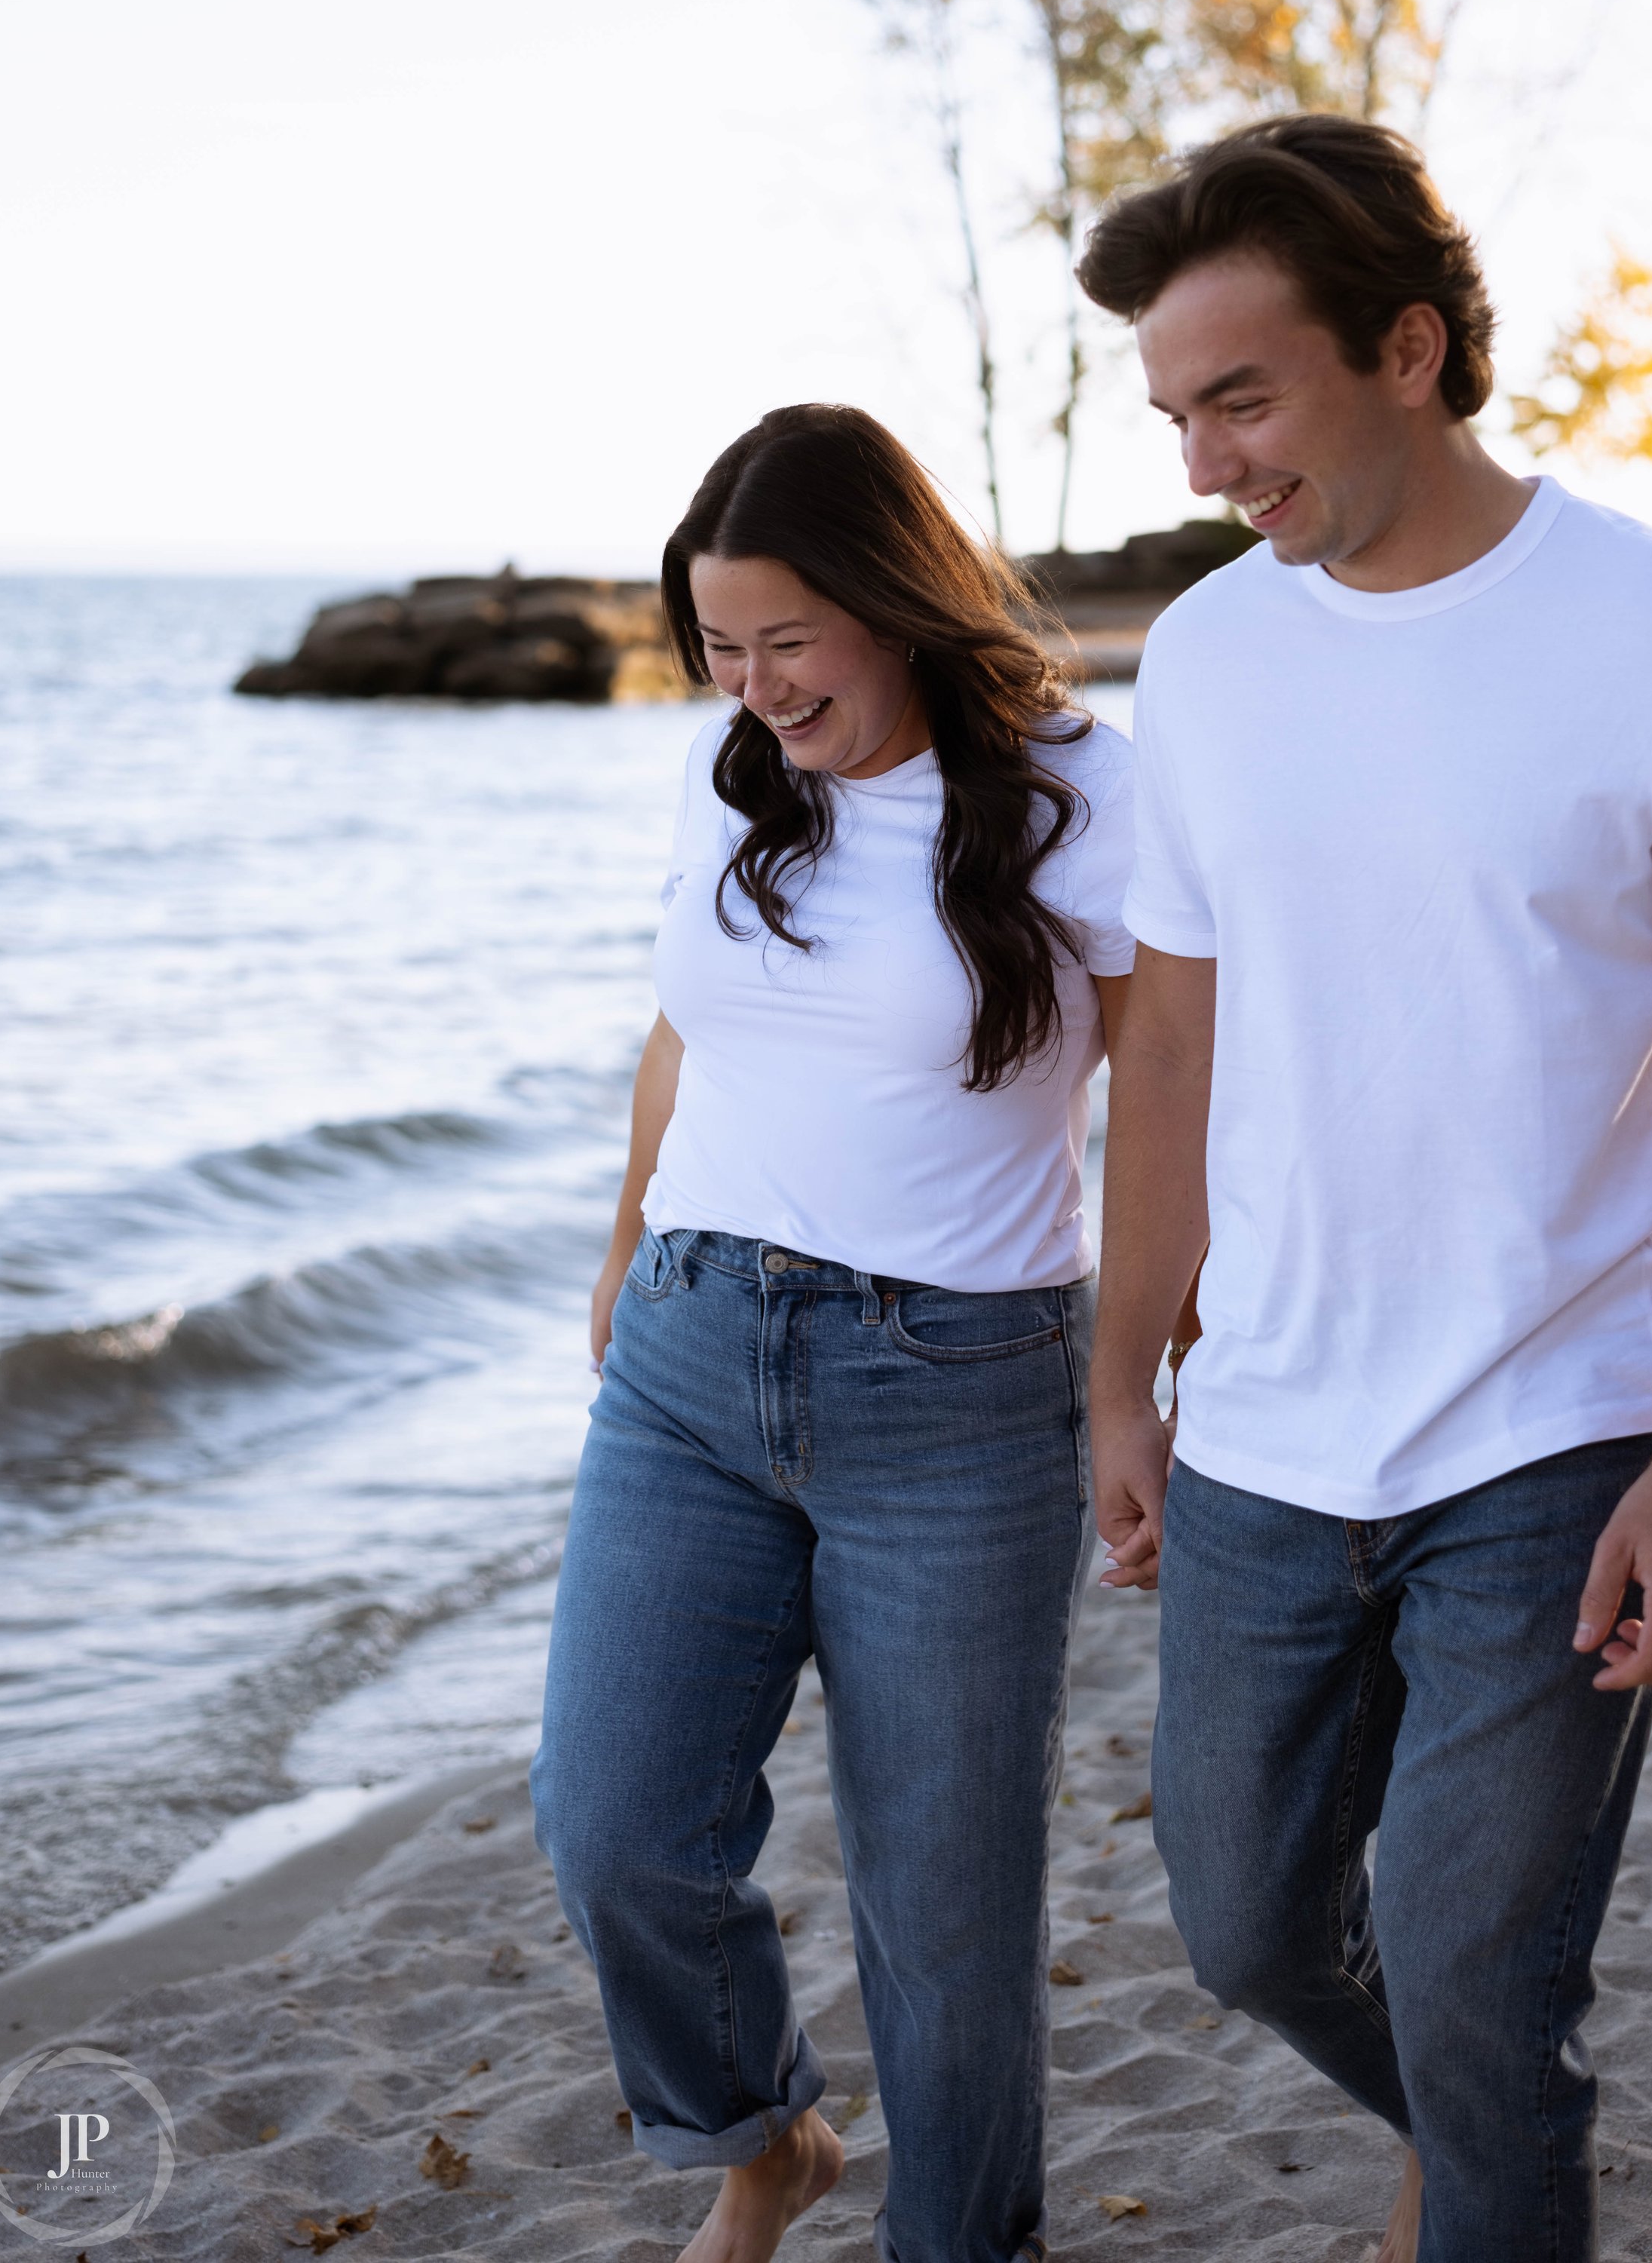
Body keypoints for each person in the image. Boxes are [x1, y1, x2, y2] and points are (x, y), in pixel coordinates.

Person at [1077, 117, 1652, 2263]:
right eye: (1172, 413)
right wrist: (1121, 1374)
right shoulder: (1213, 657)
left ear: (1406, 348)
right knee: (1240, 1929)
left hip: (1557, 1420)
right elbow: (1168, 1039)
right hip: (1264, 1429)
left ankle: (1490, 2141)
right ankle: (1487, 2138)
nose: (1205, 462)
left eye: (1241, 397)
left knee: (1484, 1996)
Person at [531, 403, 1136, 2263]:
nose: (752, 686)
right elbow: (688, 1027)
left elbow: (1191, 1089)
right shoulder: (754, 772)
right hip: (690, 1361)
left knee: (944, 1911)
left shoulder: (1088, 791)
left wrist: (1146, 1374)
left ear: (895, 600)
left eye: (785, 641)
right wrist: (628, 1241)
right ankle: (759, 2136)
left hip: (955, 1395)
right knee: (611, 1822)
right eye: (717, 649)